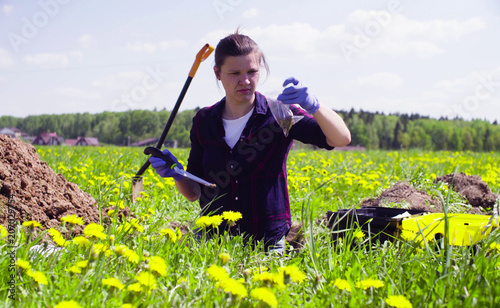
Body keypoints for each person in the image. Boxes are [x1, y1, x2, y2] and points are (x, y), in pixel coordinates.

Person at [149, 31, 351, 255]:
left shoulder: (280, 114)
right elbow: (194, 193)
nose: (245, 81)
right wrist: (178, 174)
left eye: (252, 72)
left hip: (267, 239)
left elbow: (340, 138)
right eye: (234, 73)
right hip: (212, 239)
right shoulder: (204, 121)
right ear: (217, 73)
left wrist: (314, 106)